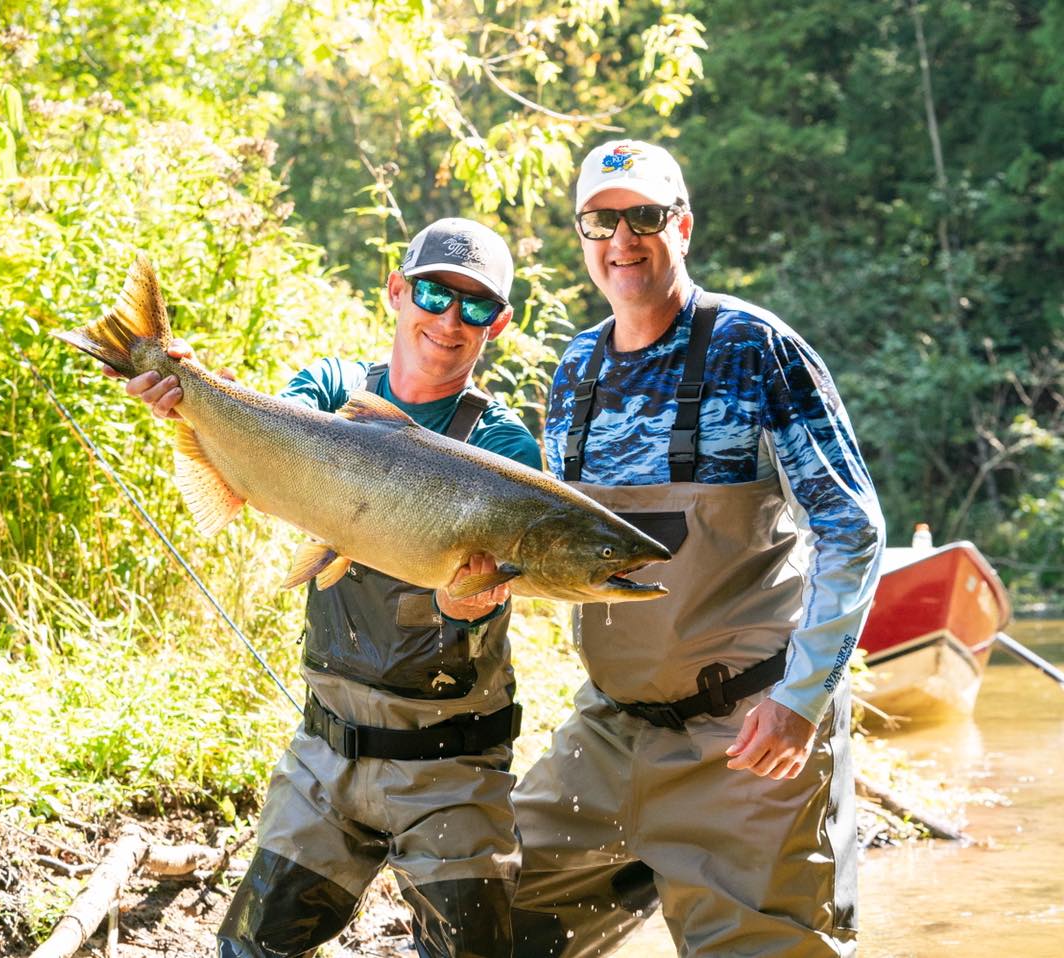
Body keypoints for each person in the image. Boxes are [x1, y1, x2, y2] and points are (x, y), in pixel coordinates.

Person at [113, 218, 542, 958]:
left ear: (498, 324)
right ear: (398, 291)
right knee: (250, 952)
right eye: (436, 294)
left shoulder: (503, 451)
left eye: (475, 307)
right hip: (325, 755)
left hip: (452, 769)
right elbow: (274, 442)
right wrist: (187, 387)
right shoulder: (332, 389)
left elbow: (484, 594)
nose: (449, 320)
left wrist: (460, 604)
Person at [509, 141, 885, 957]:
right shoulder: (574, 368)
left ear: (681, 224)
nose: (622, 239)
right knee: (486, 910)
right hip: (609, 735)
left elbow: (852, 527)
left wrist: (802, 699)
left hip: (752, 734)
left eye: (643, 216)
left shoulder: (755, 347)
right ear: (582, 235)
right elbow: (561, 555)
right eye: (600, 220)